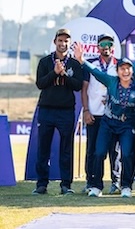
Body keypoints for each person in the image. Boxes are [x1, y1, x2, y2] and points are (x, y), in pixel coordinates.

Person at [74, 43, 135, 198]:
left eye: (128, 68)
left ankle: (126, 186)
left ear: (132, 71)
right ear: (118, 71)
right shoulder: (111, 81)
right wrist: (81, 60)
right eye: (122, 69)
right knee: (99, 153)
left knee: (126, 154)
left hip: (126, 125)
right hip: (108, 123)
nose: (125, 71)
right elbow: (95, 71)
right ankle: (96, 186)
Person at [33, 28, 83, 195]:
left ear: (69, 43)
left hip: (66, 111)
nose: (63, 44)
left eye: (66, 41)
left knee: (66, 149)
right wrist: (54, 73)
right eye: (60, 40)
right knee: (43, 148)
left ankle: (66, 185)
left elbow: (77, 85)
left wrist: (64, 75)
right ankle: (41, 184)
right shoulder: (45, 62)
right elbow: (40, 83)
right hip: (47, 110)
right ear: (55, 42)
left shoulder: (74, 64)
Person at [81, 33, 121, 194]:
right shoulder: (90, 65)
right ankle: (91, 181)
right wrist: (85, 110)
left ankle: (116, 182)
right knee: (93, 150)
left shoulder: (119, 65)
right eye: (103, 44)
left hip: (113, 114)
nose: (107, 47)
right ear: (98, 47)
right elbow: (84, 89)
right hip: (94, 113)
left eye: (110, 44)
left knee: (114, 150)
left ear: (113, 47)